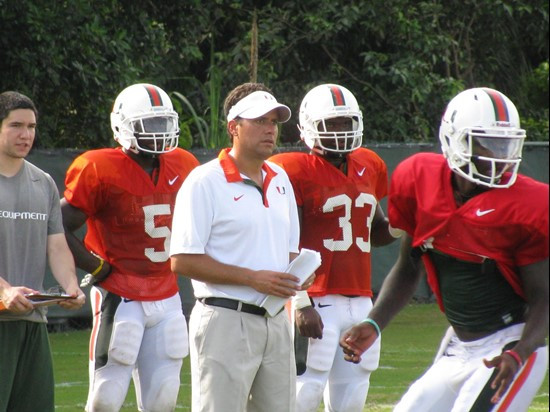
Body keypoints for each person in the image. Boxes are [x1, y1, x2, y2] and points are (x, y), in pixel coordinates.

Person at [340, 87, 549, 411]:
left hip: (508, 345)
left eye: (505, 145)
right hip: (458, 345)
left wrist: (519, 352)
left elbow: (544, 297)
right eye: (487, 144)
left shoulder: (528, 206)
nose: (499, 156)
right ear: (453, 139)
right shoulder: (419, 179)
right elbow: (410, 266)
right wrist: (375, 322)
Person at [170, 82, 312, 412]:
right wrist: (252, 278)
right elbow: (182, 260)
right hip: (224, 318)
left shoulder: (280, 178)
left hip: (276, 319)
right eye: (260, 121)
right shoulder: (204, 181)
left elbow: (289, 251)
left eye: (274, 122)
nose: (270, 130)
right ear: (234, 127)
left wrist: (299, 277)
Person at [60, 83, 199, 412]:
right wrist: (95, 266)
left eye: (163, 123)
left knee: (164, 397)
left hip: (167, 293)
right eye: (148, 125)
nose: (158, 133)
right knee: (106, 396)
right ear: (122, 125)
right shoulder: (98, 166)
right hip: (119, 294)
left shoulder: (184, 163)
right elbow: (57, 225)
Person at [269, 83, 399, 412]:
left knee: (354, 394)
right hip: (318, 296)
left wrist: (405, 223)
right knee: (304, 390)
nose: (340, 131)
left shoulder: (370, 164)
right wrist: (299, 302)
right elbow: (284, 242)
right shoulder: (291, 169)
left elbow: (375, 231)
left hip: (360, 298)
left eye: (345, 123)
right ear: (308, 128)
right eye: (331, 124)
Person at [0, 91, 86, 412]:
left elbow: (56, 244)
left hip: (33, 322)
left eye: (32, 127)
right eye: (16, 126)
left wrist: (70, 287)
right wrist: (5, 290)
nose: (26, 135)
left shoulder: (44, 182)